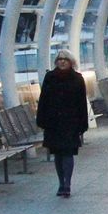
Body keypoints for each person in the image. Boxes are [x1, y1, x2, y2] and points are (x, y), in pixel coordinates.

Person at [36, 49, 89, 198]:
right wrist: (41, 120)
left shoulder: (77, 79)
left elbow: (81, 103)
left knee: (67, 153)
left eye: (65, 59)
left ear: (71, 62)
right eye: (59, 59)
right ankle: (61, 182)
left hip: (71, 122)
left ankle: (67, 184)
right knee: (57, 154)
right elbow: (43, 100)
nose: (62, 61)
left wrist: (82, 124)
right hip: (53, 122)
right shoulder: (50, 77)